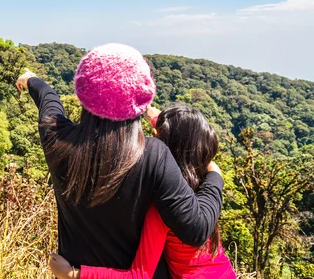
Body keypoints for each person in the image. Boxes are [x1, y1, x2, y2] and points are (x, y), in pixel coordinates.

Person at [16, 43, 224, 279]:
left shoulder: (56, 138)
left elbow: (48, 100)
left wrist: (31, 79)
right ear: (141, 98)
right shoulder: (153, 155)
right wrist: (215, 177)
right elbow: (196, 229)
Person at [48, 104, 236, 279]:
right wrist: (143, 107)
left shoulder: (161, 210)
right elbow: (181, 139)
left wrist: (73, 273)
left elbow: (138, 275)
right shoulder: (201, 184)